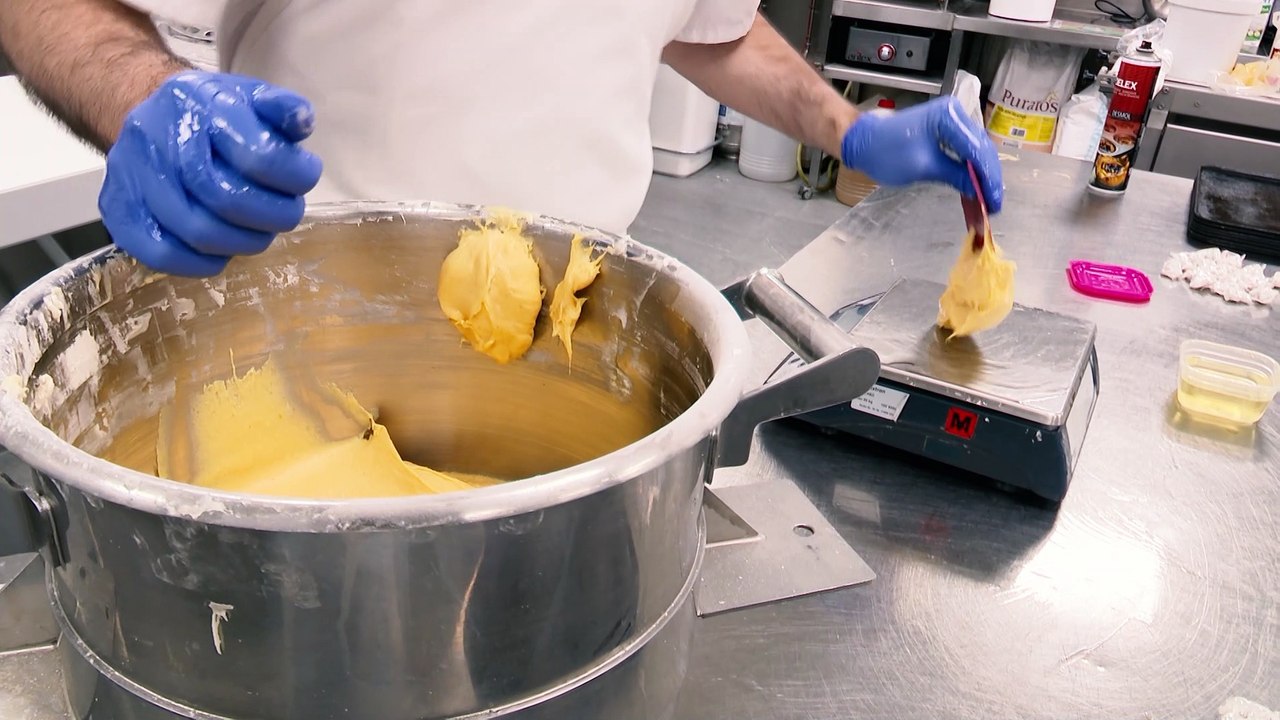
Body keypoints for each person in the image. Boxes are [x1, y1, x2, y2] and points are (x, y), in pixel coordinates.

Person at [0, 0, 1003, 277]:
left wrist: (846, 129)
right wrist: (147, 94)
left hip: (574, 311)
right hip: (299, 313)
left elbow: (710, 26)